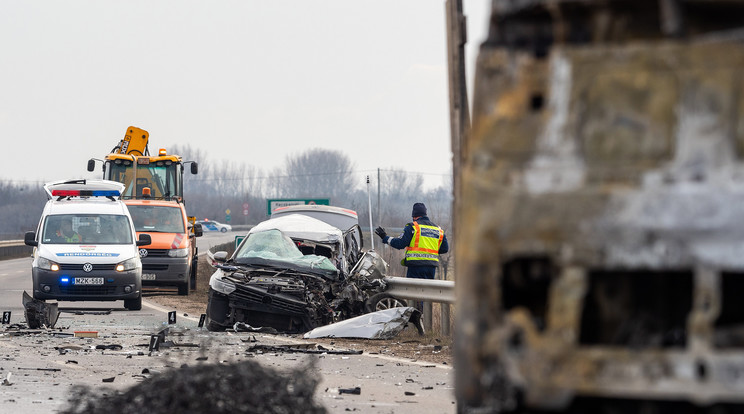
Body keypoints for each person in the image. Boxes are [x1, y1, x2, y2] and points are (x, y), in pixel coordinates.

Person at [375, 202, 449, 280]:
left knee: (413, 290)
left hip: (415, 267)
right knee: (427, 291)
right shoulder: (438, 229)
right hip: (431, 268)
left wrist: (385, 238)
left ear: (414, 216)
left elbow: (400, 243)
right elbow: (444, 249)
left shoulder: (413, 227)